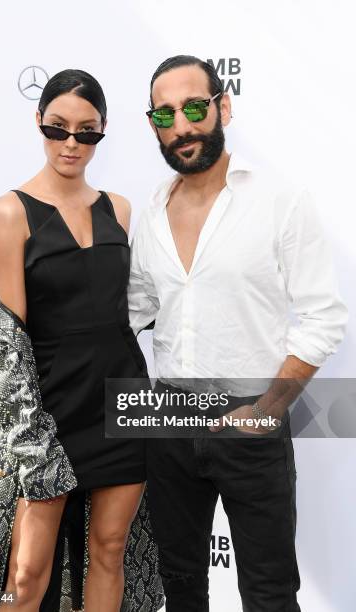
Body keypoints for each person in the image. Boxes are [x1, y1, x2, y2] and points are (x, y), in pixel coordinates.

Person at [128, 55, 348, 611]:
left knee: (270, 594)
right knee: (178, 588)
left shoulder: (279, 201)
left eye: (194, 107)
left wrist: (272, 405)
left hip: (252, 417)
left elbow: (324, 316)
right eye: (165, 115)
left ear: (223, 107)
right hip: (170, 420)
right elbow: (136, 308)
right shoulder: (150, 213)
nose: (181, 126)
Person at [0, 68, 163, 612]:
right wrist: (33, 435)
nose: (72, 144)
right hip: (50, 410)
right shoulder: (11, 211)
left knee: (111, 548)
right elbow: (9, 341)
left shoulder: (118, 208)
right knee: (25, 578)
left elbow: (130, 311)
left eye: (87, 132)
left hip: (122, 402)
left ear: (103, 132)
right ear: (39, 123)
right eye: (59, 129)